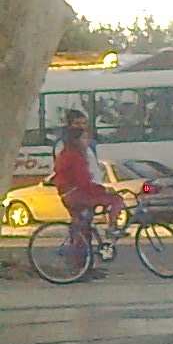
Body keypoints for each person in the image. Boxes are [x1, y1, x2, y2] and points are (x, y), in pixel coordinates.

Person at [52, 112, 123, 275]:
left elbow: (90, 170)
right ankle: (79, 267)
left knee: (85, 230)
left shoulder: (85, 147)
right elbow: (79, 177)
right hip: (79, 193)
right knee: (81, 230)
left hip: (84, 190)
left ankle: (85, 266)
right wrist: (100, 190)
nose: (82, 127)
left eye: (84, 123)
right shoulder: (68, 149)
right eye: (77, 123)